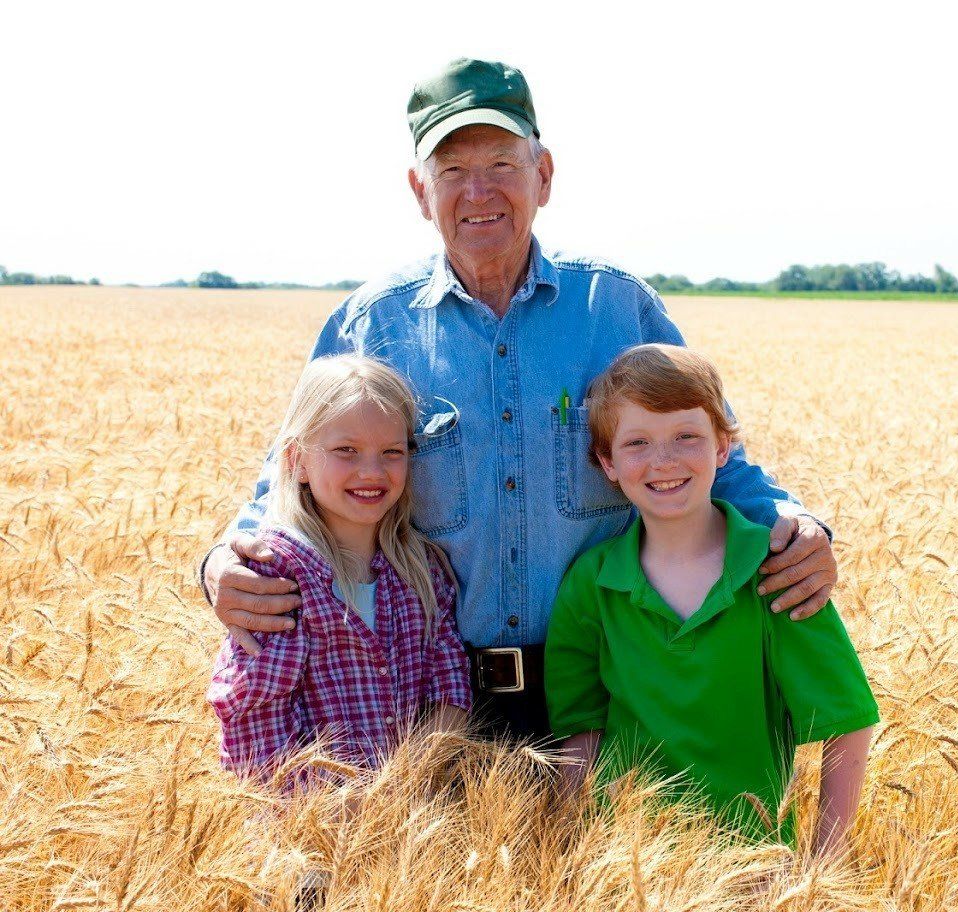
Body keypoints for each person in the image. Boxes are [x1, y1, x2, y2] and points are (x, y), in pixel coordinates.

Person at [200, 57, 841, 740]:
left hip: (608, 688)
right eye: (451, 172)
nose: (479, 191)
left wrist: (794, 523)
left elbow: (704, 449)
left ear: (544, 175)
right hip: (432, 699)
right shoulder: (371, 324)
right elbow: (288, 479)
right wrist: (223, 564)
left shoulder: (616, 309)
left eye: (502, 164)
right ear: (420, 191)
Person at [544, 345, 878, 856]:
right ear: (606, 462)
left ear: (723, 449)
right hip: (623, 867)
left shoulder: (777, 570)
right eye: (637, 443)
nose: (665, 461)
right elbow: (580, 736)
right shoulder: (591, 585)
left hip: (752, 871)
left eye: (687, 437)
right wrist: (570, 861)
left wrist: (820, 870)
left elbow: (848, 722)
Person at [207, 355, 471, 787]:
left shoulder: (422, 571)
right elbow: (255, 723)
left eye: (392, 452)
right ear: (297, 460)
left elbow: (450, 687)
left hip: (409, 820)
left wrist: (402, 787)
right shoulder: (278, 576)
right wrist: (338, 812)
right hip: (301, 836)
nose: (372, 471)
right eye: (346, 451)